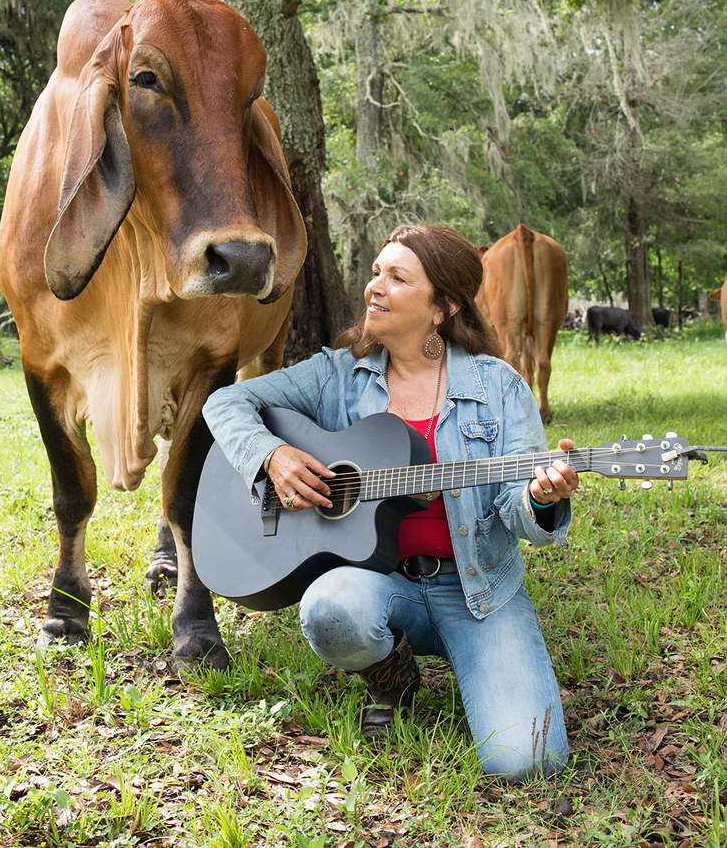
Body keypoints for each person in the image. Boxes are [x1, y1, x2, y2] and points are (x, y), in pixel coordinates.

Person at [203, 223, 579, 780]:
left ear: (442, 307)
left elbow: (518, 513)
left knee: (527, 762)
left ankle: (477, 653)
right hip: (378, 581)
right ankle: (391, 674)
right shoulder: (337, 376)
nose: (374, 287)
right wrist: (271, 455)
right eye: (376, 272)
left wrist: (541, 497)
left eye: (397, 277)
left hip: (475, 590)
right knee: (330, 608)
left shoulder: (499, 387)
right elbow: (226, 402)